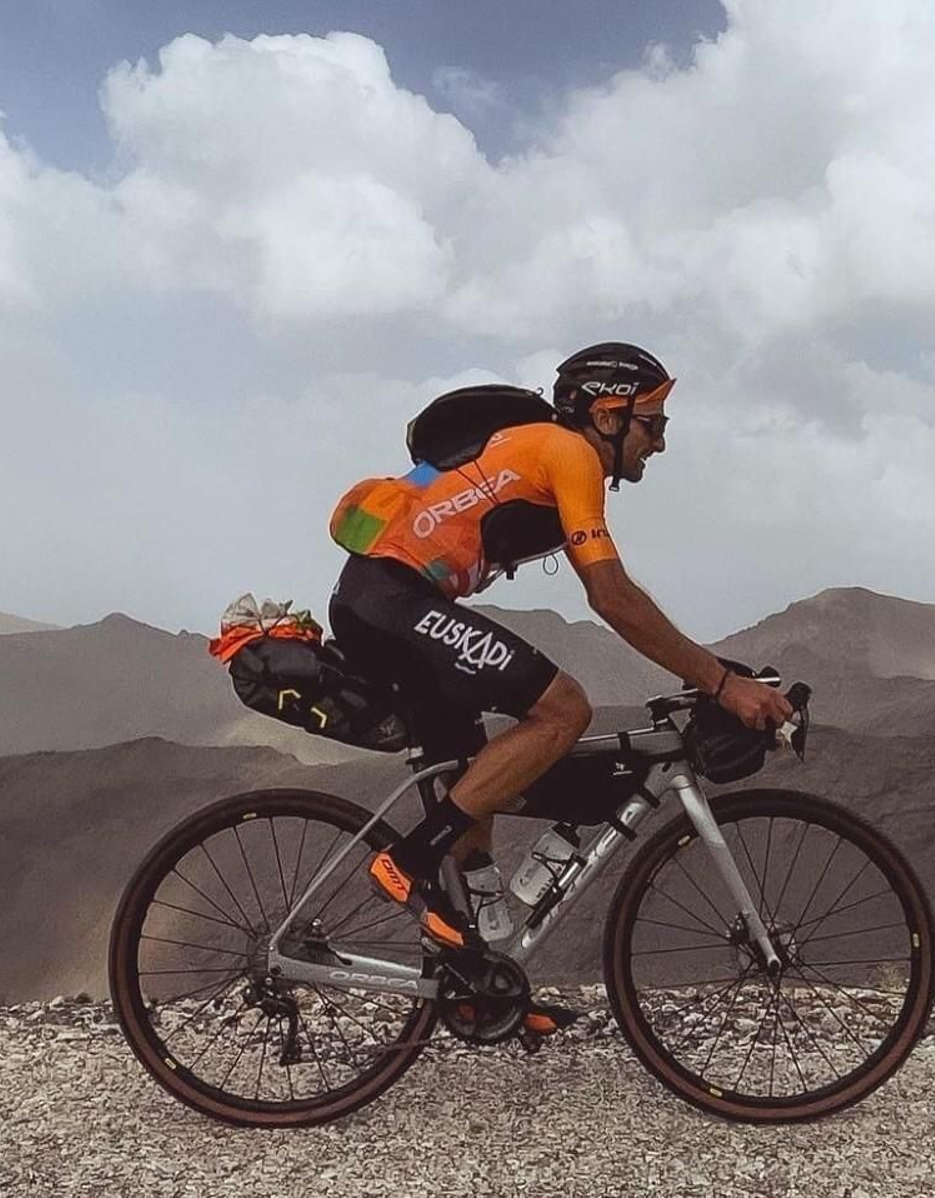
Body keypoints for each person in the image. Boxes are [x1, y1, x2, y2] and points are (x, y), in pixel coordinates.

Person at [325, 342, 793, 1034]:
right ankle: (409, 859)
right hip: (389, 599)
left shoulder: (545, 450)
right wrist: (719, 682)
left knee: (479, 768)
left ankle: (480, 981)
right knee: (564, 708)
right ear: (606, 415)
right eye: (653, 424)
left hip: (384, 600)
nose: (660, 443)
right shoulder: (567, 454)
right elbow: (610, 595)